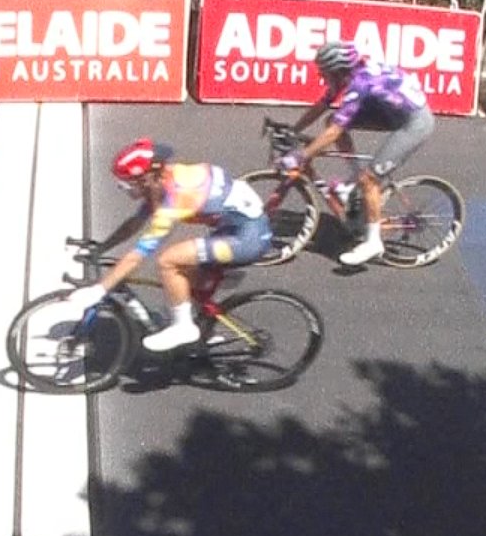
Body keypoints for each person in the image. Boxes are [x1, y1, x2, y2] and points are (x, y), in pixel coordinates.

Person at [69, 137, 272, 352]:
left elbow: (138, 254)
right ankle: (202, 330)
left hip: (247, 238)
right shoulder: (163, 179)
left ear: (145, 178)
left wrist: (100, 289)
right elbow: (135, 223)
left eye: (126, 183)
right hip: (234, 229)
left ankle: (184, 327)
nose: (123, 188)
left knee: (168, 261)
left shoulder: (175, 200)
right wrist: (102, 247)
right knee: (183, 288)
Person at [278, 40, 435, 266]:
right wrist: (293, 130)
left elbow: (335, 133)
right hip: (390, 111)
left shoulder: (361, 83)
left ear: (338, 70)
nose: (323, 77)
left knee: (369, 180)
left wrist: (300, 155)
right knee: (332, 118)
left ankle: (373, 243)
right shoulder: (348, 75)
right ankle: (353, 184)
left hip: (414, 123)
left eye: (325, 73)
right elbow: (324, 104)